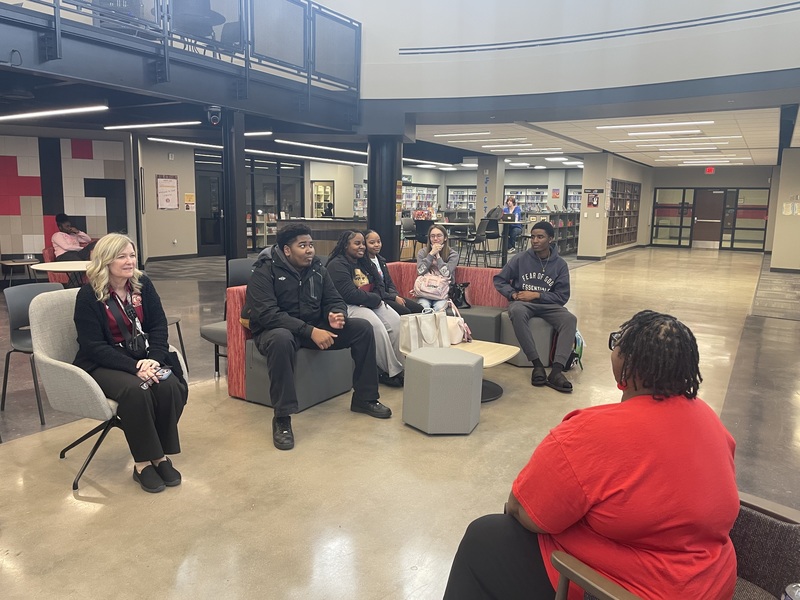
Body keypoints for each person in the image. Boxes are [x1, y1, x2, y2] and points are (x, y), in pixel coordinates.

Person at [444, 310, 739, 600]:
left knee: (485, 536)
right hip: (711, 581)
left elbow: (524, 512)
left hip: (633, 589)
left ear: (628, 365)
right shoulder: (710, 420)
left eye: (618, 341)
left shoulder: (594, 431)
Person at [243, 223, 391, 451]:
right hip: (276, 330)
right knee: (281, 340)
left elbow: (335, 298)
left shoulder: (318, 269)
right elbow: (268, 315)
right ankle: (282, 418)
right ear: (286, 250)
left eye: (311, 245)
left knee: (362, 328)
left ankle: (365, 398)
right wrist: (310, 331)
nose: (310, 250)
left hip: (313, 325)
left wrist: (336, 315)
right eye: (302, 246)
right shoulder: (264, 271)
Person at [73, 234, 188, 494]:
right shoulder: (89, 295)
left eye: (132, 255)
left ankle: (159, 456)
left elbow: (158, 325)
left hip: (142, 357)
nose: (129, 261)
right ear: (105, 260)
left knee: (169, 384)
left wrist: (154, 359)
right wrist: (135, 367)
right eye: (121, 256)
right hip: (103, 362)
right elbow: (93, 345)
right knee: (138, 390)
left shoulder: (142, 284)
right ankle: (142, 463)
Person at [493, 221, 576, 393]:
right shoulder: (520, 258)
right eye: (533, 237)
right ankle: (536, 364)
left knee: (569, 319)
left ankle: (557, 371)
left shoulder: (560, 265)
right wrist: (513, 295)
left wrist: (538, 295)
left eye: (540, 237)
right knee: (516, 311)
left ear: (550, 239)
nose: (535, 240)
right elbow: (499, 280)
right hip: (524, 304)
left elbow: (562, 296)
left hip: (549, 304)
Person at [326, 231, 405, 388]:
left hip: (370, 301)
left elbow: (379, 284)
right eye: (357, 243)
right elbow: (349, 294)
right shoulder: (337, 265)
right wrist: (374, 299)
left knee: (396, 321)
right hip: (347, 305)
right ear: (345, 245)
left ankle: (401, 365)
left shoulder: (365, 261)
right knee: (376, 325)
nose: (361, 247)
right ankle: (389, 371)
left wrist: (375, 298)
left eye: (362, 243)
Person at [363, 229, 423, 316]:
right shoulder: (364, 263)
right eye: (372, 243)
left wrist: (395, 296)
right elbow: (376, 289)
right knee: (405, 312)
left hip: (389, 295)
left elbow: (389, 283)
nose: (376, 245)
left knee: (419, 309)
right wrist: (394, 297)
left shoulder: (381, 260)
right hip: (379, 297)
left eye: (378, 242)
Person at [415, 224, 459, 312]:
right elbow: (420, 271)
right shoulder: (422, 252)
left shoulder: (453, 254)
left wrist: (438, 255)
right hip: (425, 291)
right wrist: (431, 254)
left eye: (439, 236)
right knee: (424, 307)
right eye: (432, 236)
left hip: (442, 293)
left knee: (439, 308)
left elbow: (446, 273)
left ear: (445, 238)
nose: (435, 239)